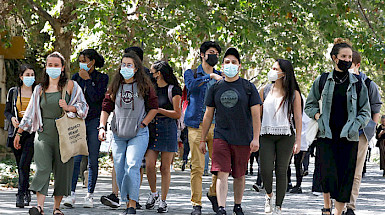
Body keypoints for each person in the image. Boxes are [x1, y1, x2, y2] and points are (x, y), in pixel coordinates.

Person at [14, 52, 89, 215]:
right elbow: (30, 112)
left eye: (56, 65)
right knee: (42, 168)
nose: (53, 68)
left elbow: (84, 107)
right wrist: (19, 132)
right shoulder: (40, 89)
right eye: (50, 65)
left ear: (62, 68)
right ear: (46, 68)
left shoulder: (71, 86)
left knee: (63, 170)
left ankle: (56, 208)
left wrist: (70, 108)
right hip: (43, 133)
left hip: (65, 133)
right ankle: (39, 207)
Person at [305, 38, 370, 215]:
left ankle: (338, 212)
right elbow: (309, 105)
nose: (347, 60)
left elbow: (365, 111)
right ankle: (326, 209)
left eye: (349, 57)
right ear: (334, 58)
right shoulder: (322, 80)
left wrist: (355, 126)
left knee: (345, 178)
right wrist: (319, 117)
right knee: (327, 176)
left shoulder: (358, 83)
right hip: (326, 135)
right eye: (344, 56)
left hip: (348, 137)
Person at [200, 47, 262, 215]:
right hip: (221, 136)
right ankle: (221, 207)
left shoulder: (248, 88)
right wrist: (202, 138)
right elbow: (208, 115)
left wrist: (256, 138)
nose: (230, 65)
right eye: (227, 62)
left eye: (234, 62)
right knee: (222, 172)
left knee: (239, 175)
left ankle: (237, 205)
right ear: (222, 65)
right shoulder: (215, 88)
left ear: (239, 66)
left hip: (243, 137)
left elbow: (256, 115)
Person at [98, 52, 158, 215]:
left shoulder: (144, 86)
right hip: (118, 133)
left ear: (136, 68)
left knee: (132, 165)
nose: (125, 68)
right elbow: (106, 107)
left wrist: (144, 123)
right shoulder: (115, 86)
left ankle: (132, 204)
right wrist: (102, 127)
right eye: (123, 64)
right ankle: (125, 200)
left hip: (138, 133)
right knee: (119, 167)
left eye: (129, 65)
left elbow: (154, 108)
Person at [62, 49, 109, 208]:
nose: (82, 63)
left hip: (94, 120)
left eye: (84, 60)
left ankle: (89, 195)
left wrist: (88, 80)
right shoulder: (75, 78)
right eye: (80, 60)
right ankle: (71, 193)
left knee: (92, 159)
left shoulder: (102, 78)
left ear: (92, 62)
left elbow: (98, 98)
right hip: (78, 121)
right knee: (75, 158)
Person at [184, 41, 223, 215]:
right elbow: (191, 86)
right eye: (210, 52)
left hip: (217, 126)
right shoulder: (191, 73)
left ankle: (213, 193)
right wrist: (209, 77)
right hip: (195, 125)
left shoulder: (221, 76)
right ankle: (196, 204)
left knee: (219, 167)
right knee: (197, 167)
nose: (214, 55)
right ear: (202, 54)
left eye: (216, 52)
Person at [259, 59, 303, 214]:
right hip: (265, 134)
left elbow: (298, 118)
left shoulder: (294, 93)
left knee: (281, 170)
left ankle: (278, 206)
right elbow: (257, 114)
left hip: (286, 135)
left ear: (284, 73)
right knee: (265, 168)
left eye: (275, 69)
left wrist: (298, 140)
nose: (272, 71)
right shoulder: (264, 90)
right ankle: (269, 195)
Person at [343, 51, 382, 215]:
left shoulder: (368, 84)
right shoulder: (339, 81)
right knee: (340, 168)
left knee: (356, 171)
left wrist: (371, 128)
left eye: (350, 63)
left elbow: (376, 108)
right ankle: (337, 203)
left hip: (361, 133)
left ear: (357, 65)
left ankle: (350, 206)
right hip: (341, 132)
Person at [145, 60, 182, 213]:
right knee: (149, 164)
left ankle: (163, 201)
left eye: (152, 72)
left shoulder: (174, 90)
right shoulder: (150, 89)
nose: (150, 75)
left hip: (168, 128)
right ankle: (154, 193)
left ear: (158, 74)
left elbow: (177, 113)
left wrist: (159, 110)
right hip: (152, 128)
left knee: (165, 167)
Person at [4, 64, 37, 208]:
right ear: (21, 77)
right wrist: (12, 118)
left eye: (32, 75)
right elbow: (7, 111)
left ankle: (20, 194)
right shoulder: (13, 92)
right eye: (27, 75)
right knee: (20, 165)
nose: (30, 77)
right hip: (15, 133)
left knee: (24, 163)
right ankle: (26, 190)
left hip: (31, 133)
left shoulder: (37, 92)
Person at [290, 97, 312, 194]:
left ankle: (298, 185)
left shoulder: (300, 98)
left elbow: (305, 121)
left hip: (301, 135)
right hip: (289, 133)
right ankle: (288, 183)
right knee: (286, 162)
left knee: (297, 162)